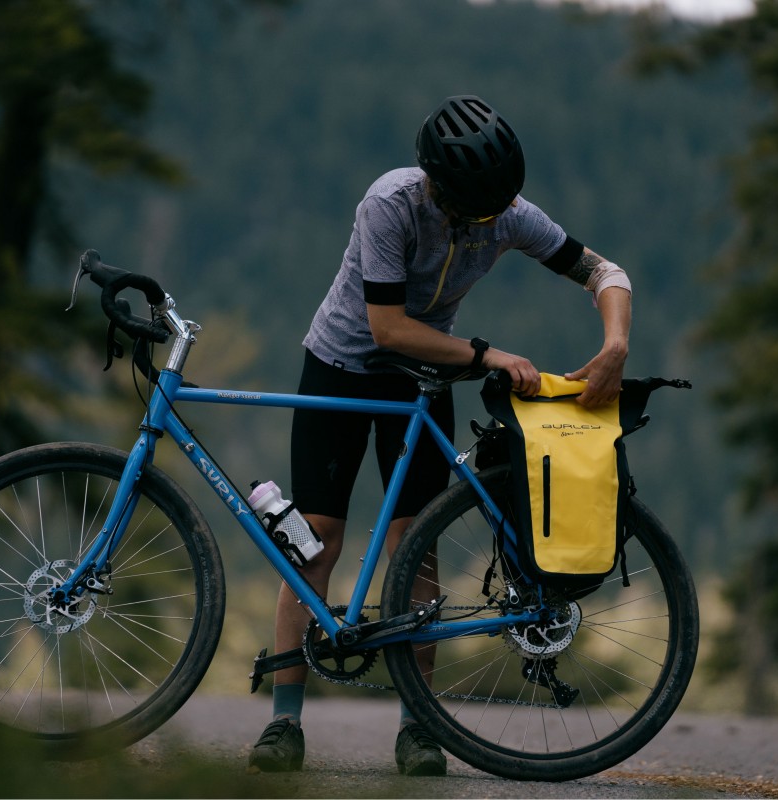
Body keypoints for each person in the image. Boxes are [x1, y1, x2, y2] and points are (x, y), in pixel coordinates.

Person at [247, 94, 633, 776]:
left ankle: (417, 728)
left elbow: (605, 273)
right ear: (437, 184)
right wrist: (490, 356)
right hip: (340, 367)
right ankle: (283, 721)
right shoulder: (390, 204)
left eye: (494, 211)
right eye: (471, 209)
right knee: (316, 540)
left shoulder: (509, 214)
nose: (484, 224)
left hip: (421, 378)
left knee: (413, 551)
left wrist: (615, 345)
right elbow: (386, 328)